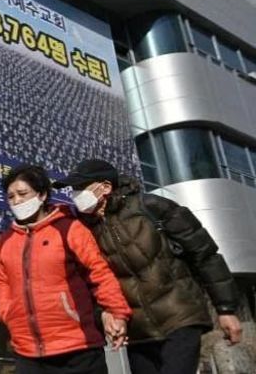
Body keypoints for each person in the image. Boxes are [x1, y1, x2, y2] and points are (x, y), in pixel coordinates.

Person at [54, 159, 242, 374]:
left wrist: (226, 309)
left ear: (105, 187)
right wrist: (104, 315)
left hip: (179, 317)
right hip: (137, 332)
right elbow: (91, 282)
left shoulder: (152, 207)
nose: (76, 195)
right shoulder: (83, 230)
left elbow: (206, 255)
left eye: (81, 188)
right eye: (74, 190)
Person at [0, 164, 132, 374]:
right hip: (28, 353)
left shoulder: (70, 228)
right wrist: (7, 312)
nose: (17, 201)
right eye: (11, 197)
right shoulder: (5, 241)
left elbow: (99, 273)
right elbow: (2, 282)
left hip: (77, 349)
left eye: (22, 194)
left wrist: (117, 312)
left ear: (41, 195)